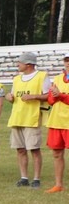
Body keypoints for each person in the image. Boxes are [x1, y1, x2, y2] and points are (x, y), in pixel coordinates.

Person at [6, 52, 50, 187]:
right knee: (20, 149)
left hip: (32, 118)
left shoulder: (42, 76)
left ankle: (36, 179)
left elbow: (48, 95)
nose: (17, 65)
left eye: (19, 62)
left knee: (34, 149)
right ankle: (24, 177)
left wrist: (33, 97)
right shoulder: (17, 79)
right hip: (17, 117)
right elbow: (13, 95)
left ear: (28, 64)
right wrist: (9, 97)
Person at [45, 54, 69, 193]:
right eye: (66, 62)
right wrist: (54, 95)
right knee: (56, 153)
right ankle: (58, 184)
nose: (68, 64)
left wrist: (60, 95)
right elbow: (50, 100)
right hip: (56, 121)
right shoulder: (58, 79)